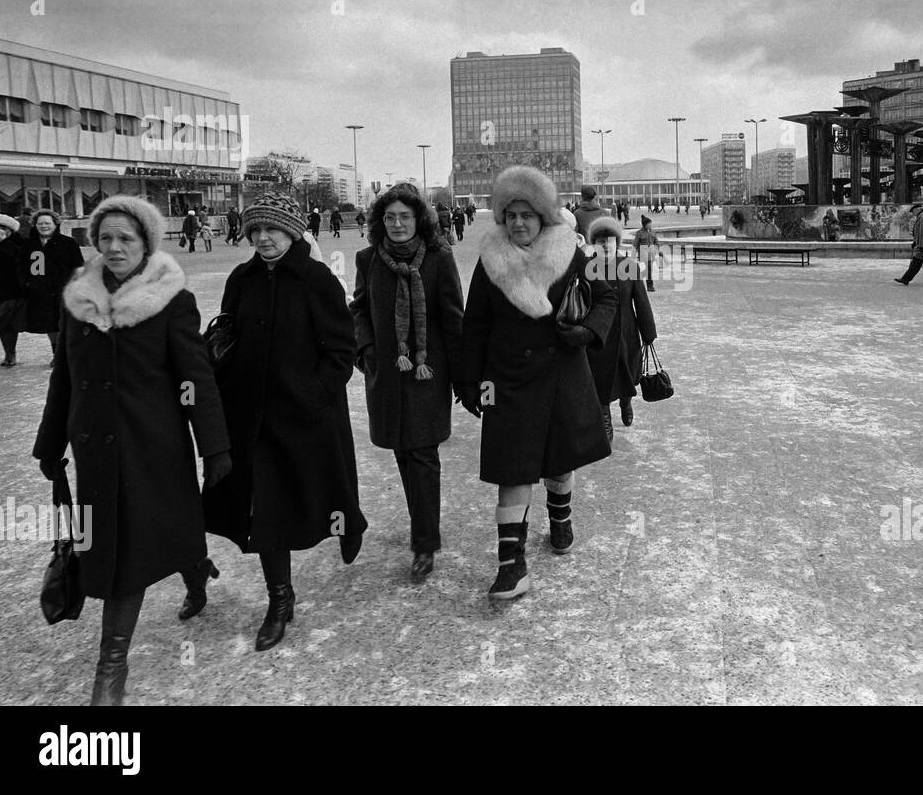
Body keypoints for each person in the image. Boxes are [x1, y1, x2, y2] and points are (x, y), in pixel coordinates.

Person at [33, 196, 230, 705]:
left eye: (127, 238)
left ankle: (110, 670)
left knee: (132, 548)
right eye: (106, 238)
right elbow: (65, 377)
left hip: (152, 447)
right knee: (139, 538)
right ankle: (195, 566)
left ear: (147, 243)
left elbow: (195, 377)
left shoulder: (171, 300)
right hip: (94, 452)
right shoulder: (79, 298)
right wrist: (50, 442)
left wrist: (214, 447)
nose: (115, 247)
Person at [204, 192, 367, 651]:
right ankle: (280, 598)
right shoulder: (241, 278)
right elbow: (228, 332)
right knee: (264, 509)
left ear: (292, 231)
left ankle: (348, 522)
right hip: (251, 415)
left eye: (272, 229)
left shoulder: (317, 279)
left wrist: (314, 395)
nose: (263, 238)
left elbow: (341, 350)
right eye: (256, 230)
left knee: (320, 488)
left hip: (304, 413)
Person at [457, 166, 617, 600]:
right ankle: (512, 564)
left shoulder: (573, 254)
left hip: (561, 374)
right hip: (507, 381)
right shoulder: (490, 261)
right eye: (511, 215)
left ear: (544, 217)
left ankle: (560, 517)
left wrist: (586, 333)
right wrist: (469, 381)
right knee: (513, 468)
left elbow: (606, 298)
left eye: (527, 215)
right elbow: (475, 324)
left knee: (558, 458)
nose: (519, 223)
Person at [350, 184, 463, 583]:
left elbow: (454, 318)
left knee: (423, 454)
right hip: (386, 374)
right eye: (390, 217)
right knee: (403, 450)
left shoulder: (438, 258)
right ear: (381, 222)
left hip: (426, 373)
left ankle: (424, 543)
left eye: (405, 217)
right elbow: (358, 309)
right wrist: (365, 351)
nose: (397, 224)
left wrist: (462, 376)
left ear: (419, 220)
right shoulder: (368, 260)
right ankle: (423, 525)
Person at [585, 218, 657, 437]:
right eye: (600, 241)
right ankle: (604, 418)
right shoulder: (587, 268)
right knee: (600, 377)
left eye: (609, 241)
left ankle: (626, 403)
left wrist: (648, 333)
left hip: (626, 332)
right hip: (598, 334)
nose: (605, 245)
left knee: (626, 373)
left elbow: (641, 301)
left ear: (616, 242)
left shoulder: (629, 267)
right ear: (593, 243)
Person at [21, 209, 85, 359]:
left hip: (64, 290)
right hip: (40, 292)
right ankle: (56, 353)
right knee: (50, 324)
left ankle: (68, 353)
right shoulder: (29, 245)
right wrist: (28, 285)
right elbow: (21, 267)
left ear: (55, 224)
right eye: (40, 223)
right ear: (35, 225)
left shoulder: (68, 243)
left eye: (47, 223)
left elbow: (78, 266)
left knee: (66, 323)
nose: (44, 226)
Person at [0, 214, 27, 366]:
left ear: (10, 230)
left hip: (12, 290)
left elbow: (21, 259)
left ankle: (10, 353)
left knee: (8, 326)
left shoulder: (19, 243)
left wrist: (3, 243)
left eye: (2, 228)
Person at [633, 215, 660, 292]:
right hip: (643, 253)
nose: (650, 225)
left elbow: (656, 242)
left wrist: (657, 249)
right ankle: (649, 286)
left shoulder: (653, 232)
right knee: (649, 269)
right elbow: (635, 244)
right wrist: (634, 255)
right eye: (649, 224)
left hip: (651, 253)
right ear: (645, 225)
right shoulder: (639, 233)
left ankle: (637, 278)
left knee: (648, 269)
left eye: (651, 223)